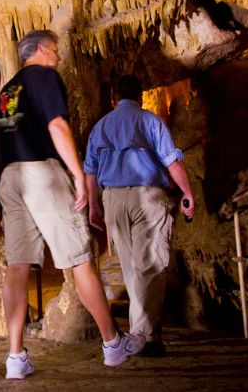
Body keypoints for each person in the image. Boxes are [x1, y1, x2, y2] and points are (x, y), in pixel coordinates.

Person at [0, 29, 136, 379]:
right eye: (55, 50)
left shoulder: (9, 89)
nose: (58, 56)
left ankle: (16, 357)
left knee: (17, 265)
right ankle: (112, 343)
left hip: (10, 177)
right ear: (41, 50)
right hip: (41, 172)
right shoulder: (45, 76)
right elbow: (57, 125)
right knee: (79, 258)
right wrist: (77, 176)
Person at [85, 74, 195, 357]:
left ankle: (145, 334)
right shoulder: (150, 122)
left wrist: (95, 206)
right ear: (141, 96)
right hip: (146, 197)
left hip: (113, 199)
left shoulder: (101, 126)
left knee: (132, 268)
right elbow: (171, 161)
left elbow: (90, 169)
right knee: (152, 265)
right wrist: (187, 192)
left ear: (114, 97)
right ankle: (142, 336)